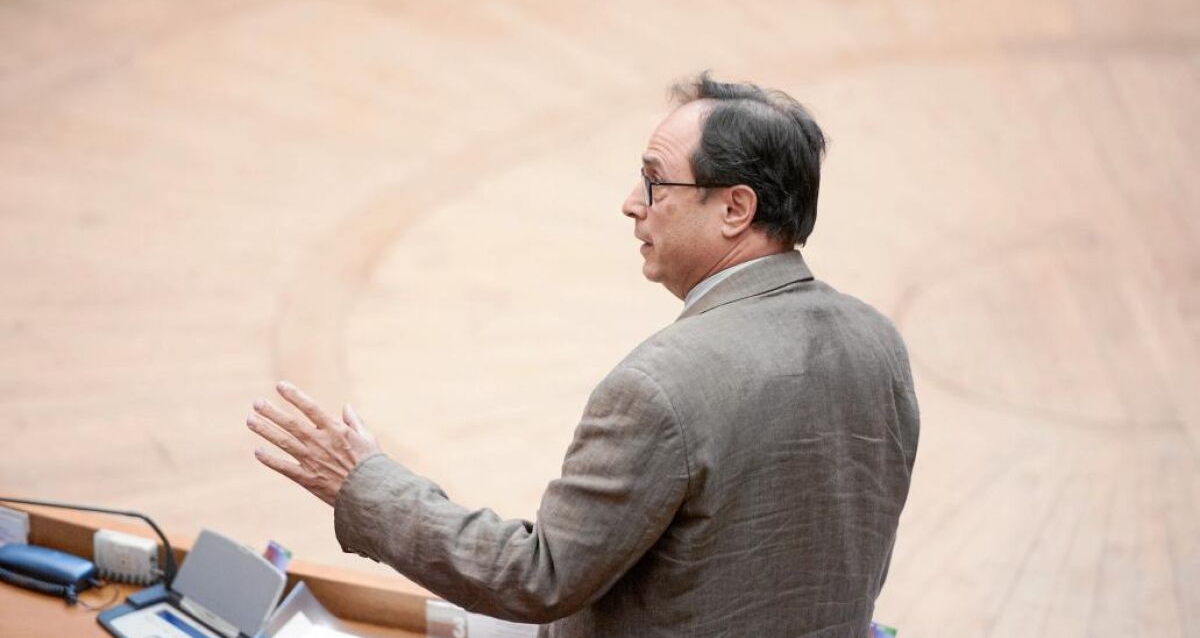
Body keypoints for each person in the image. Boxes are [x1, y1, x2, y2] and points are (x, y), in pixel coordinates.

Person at [246, 73, 920, 637]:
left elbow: (538, 577)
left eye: (655, 182)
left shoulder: (662, 386)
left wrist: (364, 483)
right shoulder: (878, 343)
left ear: (735, 209)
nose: (632, 205)